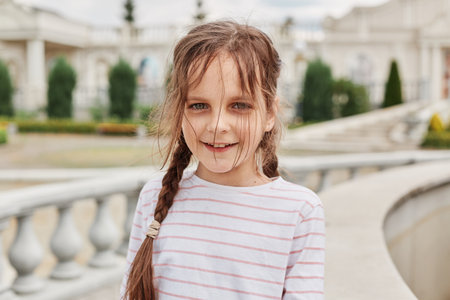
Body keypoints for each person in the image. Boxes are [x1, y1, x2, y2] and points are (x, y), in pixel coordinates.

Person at [121, 20, 325, 300]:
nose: (217, 125)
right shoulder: (153, 198)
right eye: (199, 105)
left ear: (269, 114)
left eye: (239, 105)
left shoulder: (299, 211)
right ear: (180, 110)